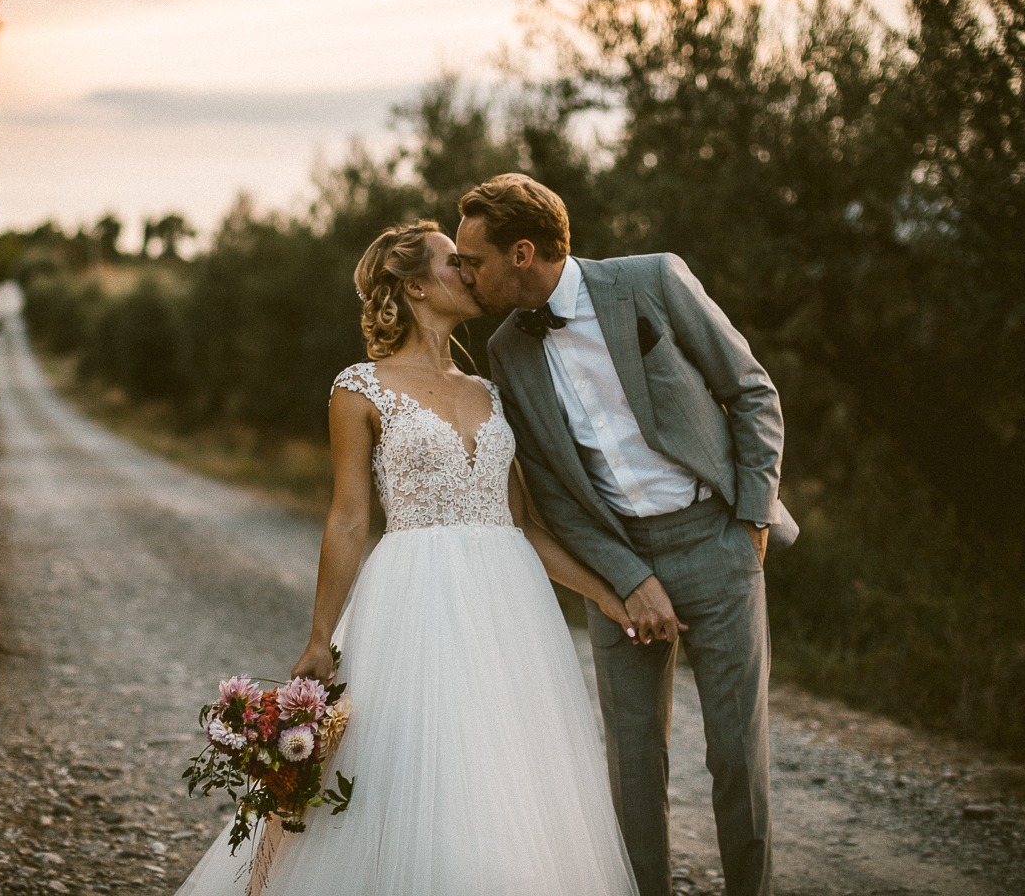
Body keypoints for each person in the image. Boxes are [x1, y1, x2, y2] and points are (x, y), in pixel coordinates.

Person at [173, 220, 641, 896]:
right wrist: (317, 638)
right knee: (416, 769)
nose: (471, 272)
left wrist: (603, 591)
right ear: (414, 284)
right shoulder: (359, 389)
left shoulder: (491, 390)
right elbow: (349, 517)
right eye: (456, 262)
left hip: (511, 608)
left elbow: (520, 524)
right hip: (415, 598)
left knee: (504, 775)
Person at [455, 174, 796, 896]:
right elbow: (552, 492)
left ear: (522, 253)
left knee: (738, 752)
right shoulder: (507, 350)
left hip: (717, 540)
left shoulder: (652, 281)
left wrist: (753, 517)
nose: (465, 274)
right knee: (634, 762)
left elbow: (752, 391)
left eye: (474, 260)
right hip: (614, 564)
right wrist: (625, 579)